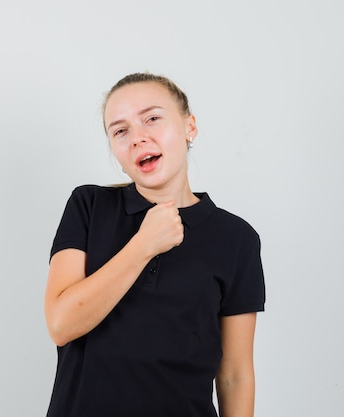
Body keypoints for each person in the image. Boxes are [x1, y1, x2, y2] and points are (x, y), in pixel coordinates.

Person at [44, 72, 266, 417]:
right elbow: (61, 324)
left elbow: (235, 375)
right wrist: (143, 245)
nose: (137, 138)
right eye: (120, 130)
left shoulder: (236, 238)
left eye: (152, 118)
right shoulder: (88, 206)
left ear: (189, 127)